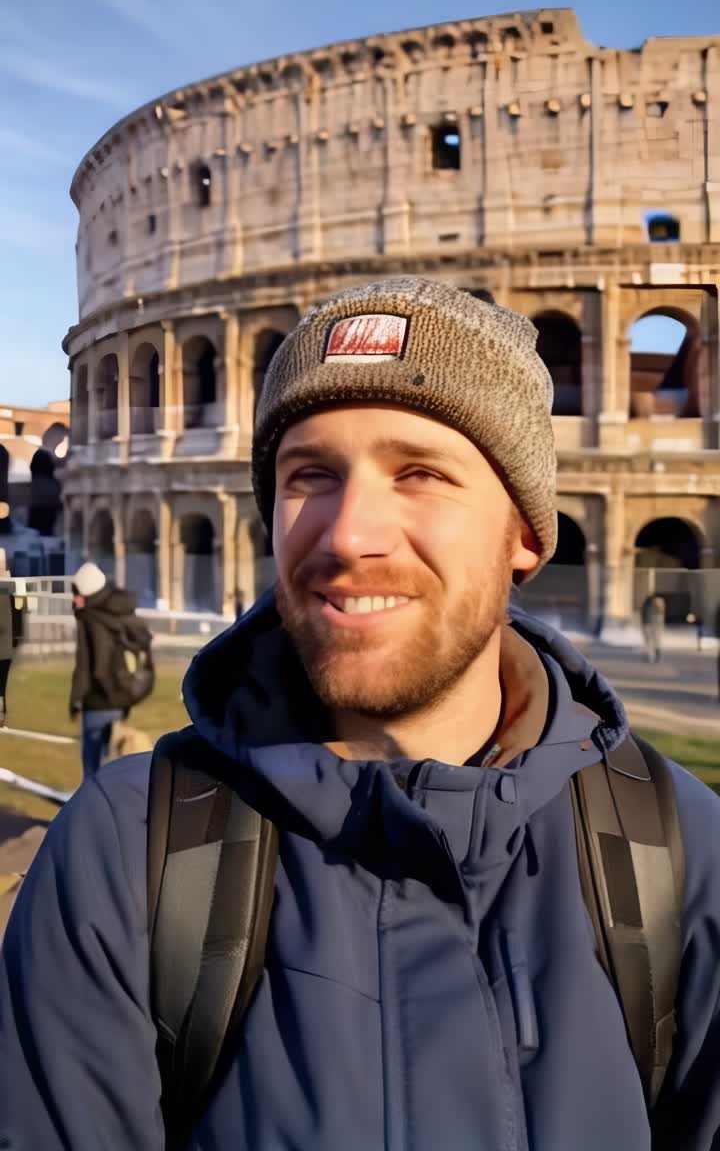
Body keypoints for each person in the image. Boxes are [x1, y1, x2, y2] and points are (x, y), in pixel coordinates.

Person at [2, 277, 720, 1151]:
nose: (347, 535)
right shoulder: (121, 850)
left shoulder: (678, 852)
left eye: (420, 472)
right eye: (311, 475)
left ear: (528, 533)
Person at [68, 561, 153, 777]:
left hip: (98, 700)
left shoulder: (91, 617)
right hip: (121, 698)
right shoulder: (119, 609)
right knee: (112, 765)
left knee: (93, 768)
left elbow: (90, 666)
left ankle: (93, 809)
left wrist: (76, 700)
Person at [0, 548, 25, 727]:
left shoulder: (13, 586)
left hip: (6, 643)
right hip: (7, 642)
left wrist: (17, 636)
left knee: (1, 684)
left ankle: (1, 716)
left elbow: (18, 612)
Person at [641, 591, 666, 663]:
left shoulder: (656, 604)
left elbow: (660, 614)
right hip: (649, 625)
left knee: (654, 641)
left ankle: (655, 655)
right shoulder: (648, 604)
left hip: (654, 625)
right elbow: (645, 615)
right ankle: (650, 656)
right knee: (649, 641)